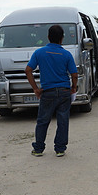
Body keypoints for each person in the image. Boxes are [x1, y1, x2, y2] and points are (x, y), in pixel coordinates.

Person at [24, 24, 78, 157]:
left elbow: (28, 70)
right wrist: (73, 87)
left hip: (47, 91)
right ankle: (60, 148)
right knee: (63, 120)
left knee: (43, 120)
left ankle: (38, 148)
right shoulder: (66, 54)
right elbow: (74, 74)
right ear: (62, 38)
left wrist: (36, 89)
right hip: (64, 91)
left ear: (48, 37)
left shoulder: (39, 52)